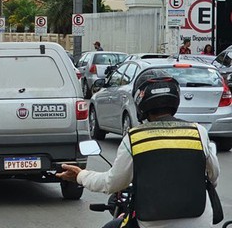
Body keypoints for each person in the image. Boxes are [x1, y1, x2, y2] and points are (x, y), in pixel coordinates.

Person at [57, 70, 219, 228]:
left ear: (140, 103)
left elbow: (112, 183)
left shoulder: (135, 138)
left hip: (153, 223)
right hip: (201, 221)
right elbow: (214, 175)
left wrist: (81, 175)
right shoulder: (198, 132)